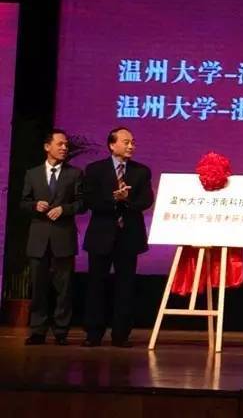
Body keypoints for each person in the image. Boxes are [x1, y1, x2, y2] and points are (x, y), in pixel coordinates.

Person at [82, 127, 153, 347]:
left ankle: (121, 335)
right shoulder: (95, 170)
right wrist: (113, 199)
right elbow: (89, 200)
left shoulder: (141, 171)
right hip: (101, 235)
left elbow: (146, 201)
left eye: (133, 142)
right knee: (96, 286)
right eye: (126, 142)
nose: (131, 146)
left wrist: (126, 200)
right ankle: (93, 334)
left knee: (125, 287)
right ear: (112, 145)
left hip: (128, 236)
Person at [19, 129, 84, 345]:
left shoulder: (74, 174)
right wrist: (34, 205)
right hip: (38, 238)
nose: (64, 148)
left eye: (66, 144)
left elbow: (82, 203)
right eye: (60, 144)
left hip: (63, 237)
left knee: (64, 289)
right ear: (47, 147)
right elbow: (23, 202)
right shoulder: (33, 174)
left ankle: (61, 331)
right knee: (38, 287)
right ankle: (37, 330)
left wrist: (64, 209)